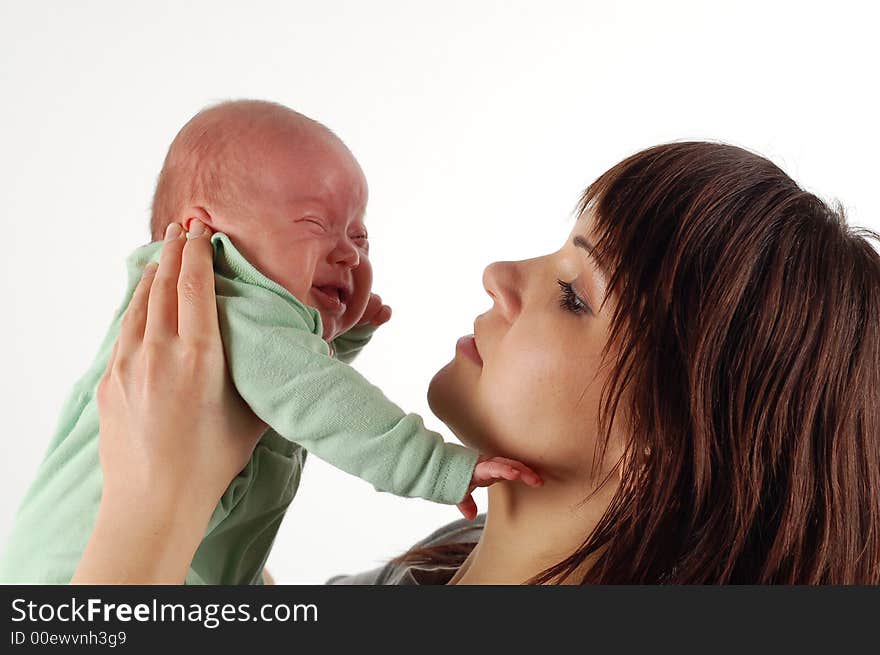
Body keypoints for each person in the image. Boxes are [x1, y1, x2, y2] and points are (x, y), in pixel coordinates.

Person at [77, 141, 880, 584]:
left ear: (664, 447)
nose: (502, 275)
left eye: (575, 294)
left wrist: (149, 506)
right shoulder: (427, 574)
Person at [1, 100, 540, 585]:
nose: (349, 254)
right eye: (314, 223)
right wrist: (436, 465)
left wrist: (333, 344)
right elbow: (320, 401)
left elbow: (288, 390)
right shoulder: (228, 297)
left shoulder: (224, 325)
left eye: (359, 236)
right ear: (201, 233)